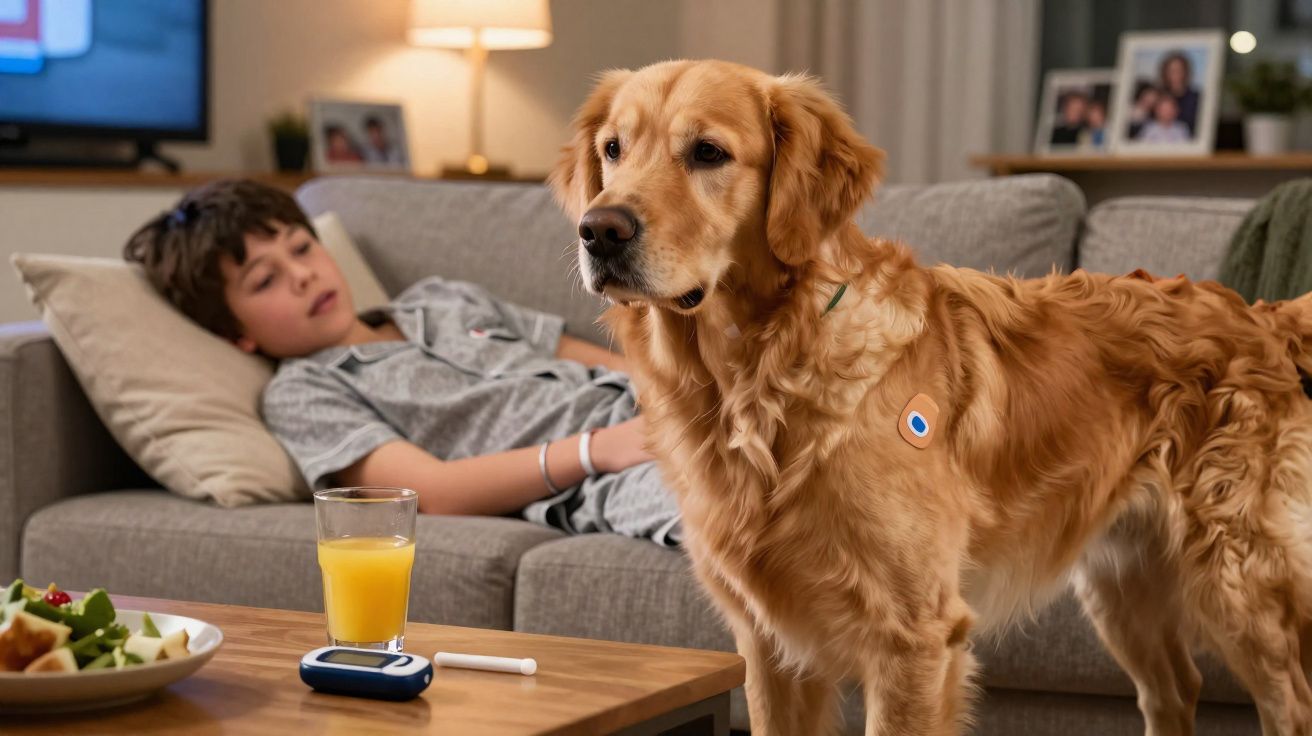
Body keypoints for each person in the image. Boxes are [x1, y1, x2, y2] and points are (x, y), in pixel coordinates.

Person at [122, 179, 683, 546]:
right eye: (265, 280)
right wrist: (597, 451)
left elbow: (612, 361)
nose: (302, 275)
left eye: (300, 247)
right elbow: (427, 492)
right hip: (604, 475)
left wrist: (693, 395)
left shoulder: (442, 299)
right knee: (743, 523)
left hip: (673, 413)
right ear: (236, 334)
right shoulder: (304, 392)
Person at [1158, 51, 1200, 135]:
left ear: (1186, 72)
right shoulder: (1158, 97)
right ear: (1165, 73)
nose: (1175, 74)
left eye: (1179, 70)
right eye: (1171, 71)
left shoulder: (1197, 98)